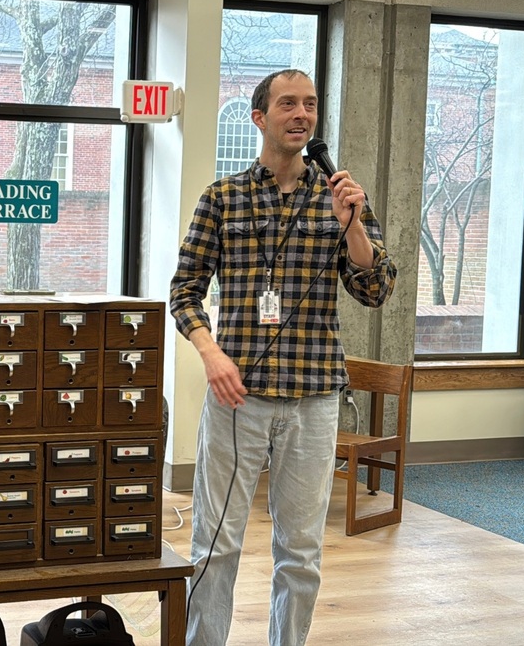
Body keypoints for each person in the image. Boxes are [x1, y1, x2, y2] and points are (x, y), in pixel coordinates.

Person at [169, 69, 397, 646]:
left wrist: (353, 227)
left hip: (313, 397)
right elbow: (185, 291)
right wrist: (210, 353)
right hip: (237, 396)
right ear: (259, 117)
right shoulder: (222, 198)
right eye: (289, 104)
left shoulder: (341, 197)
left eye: (311, 105)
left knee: (301, 549)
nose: (302, 114)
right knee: (215, 543)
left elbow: (376, 289)